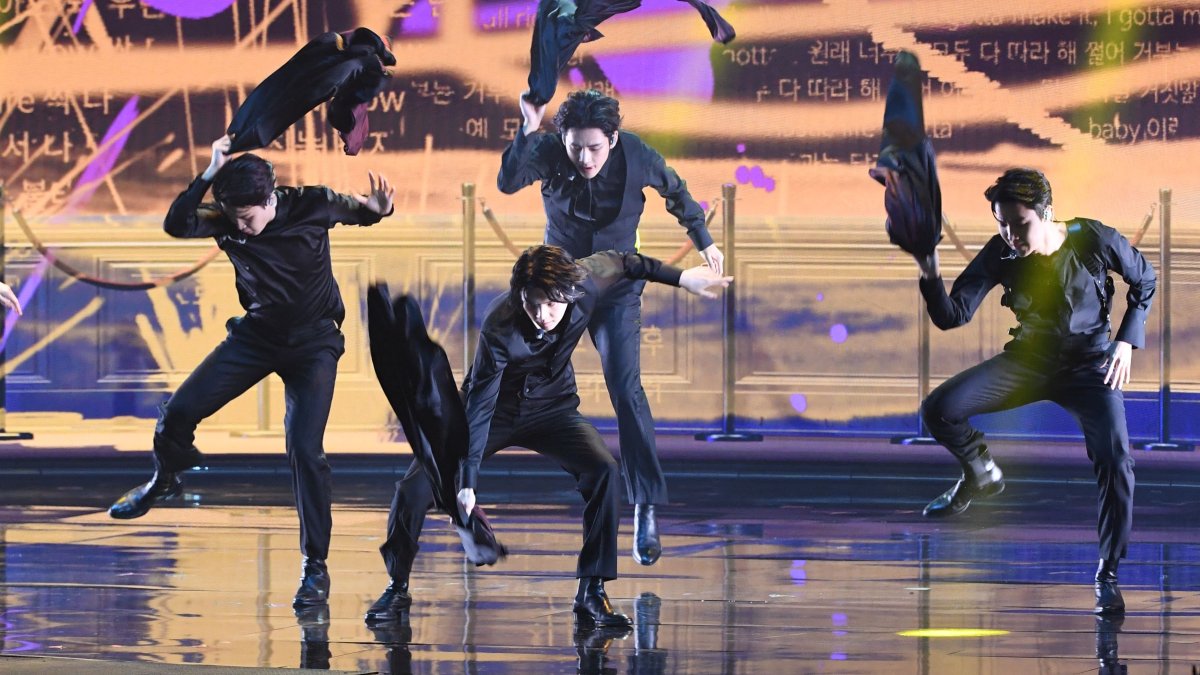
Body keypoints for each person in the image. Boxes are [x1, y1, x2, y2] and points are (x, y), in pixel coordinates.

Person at [365, 245, 731, 626]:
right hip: (494, 411)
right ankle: (397, 587)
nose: (542, 316)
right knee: (415, 487)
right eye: (532, 305)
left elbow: (629, 262)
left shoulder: (585, 283)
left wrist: (684, 278)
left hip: (552, 409)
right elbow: (480, 406)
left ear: (570, 296)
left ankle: (592, 592)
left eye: (551, 306)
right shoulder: (500, 324)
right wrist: (467, 481)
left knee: (603, 471)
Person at [108, 135, 395, 609]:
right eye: (235, 219)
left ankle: (315, 567)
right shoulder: (225, 219)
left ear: (271, 197)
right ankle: (165, 479)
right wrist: (207, 172)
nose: (243, 227)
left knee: (306, 450)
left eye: (249, 217)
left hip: (314, 344)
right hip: (257, 337)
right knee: (178, 413)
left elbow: (362, 211)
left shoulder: (312, 204)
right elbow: (178, 224)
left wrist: (380, 209)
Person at [498, 89, 724, 566]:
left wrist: (703, 240)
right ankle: (467, 491)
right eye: (575, 147)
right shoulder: (547, 149)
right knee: (514, 376)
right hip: (560, 288)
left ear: (614, 139)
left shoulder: (637, 153)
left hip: (619, 285)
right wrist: (526, 129)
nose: (583, 158)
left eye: (594, 148)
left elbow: (677, 192)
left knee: (626, 390)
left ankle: (644, 504)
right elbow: (507, 180)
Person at [914, 168, 1155, 615]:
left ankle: (1108, 572)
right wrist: (929, 270)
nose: (1010, 235)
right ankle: (981, 474)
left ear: (1046, 213)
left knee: (1117, 460)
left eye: (1019, 224)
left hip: (1089, 368)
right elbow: (952, 315)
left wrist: (1125, 341)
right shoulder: (1000, 252)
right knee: (938, 409)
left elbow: (1145, 280)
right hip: (1028, 362)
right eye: (1001, 224)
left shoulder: (1092, 239)